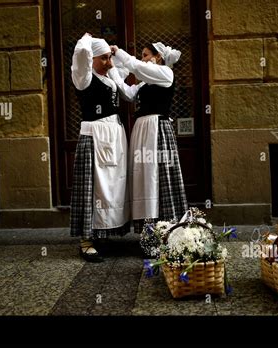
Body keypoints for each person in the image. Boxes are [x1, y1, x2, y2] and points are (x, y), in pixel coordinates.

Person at [109, 42, 188, 233]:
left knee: (158, 174)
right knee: (143, 174)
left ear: (157, 57)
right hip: (142, 129)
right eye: (142, 56)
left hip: (157, 129)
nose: (143, 58)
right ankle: (148, 229)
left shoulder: (166, 74)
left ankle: (166, 227)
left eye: (145, 55)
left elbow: (137, 67)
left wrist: (118, 52)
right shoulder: (145, 81)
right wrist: (112, 70)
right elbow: (127, 93)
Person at [70, 33, 130, 262]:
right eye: (104, 58)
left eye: (109, 57)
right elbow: (81, 54)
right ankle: (86, 240)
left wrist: (115, 53)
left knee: (111, 187)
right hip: (94, 135)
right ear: (93, 59)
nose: (109, 62)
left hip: (113, 134)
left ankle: (103, 233)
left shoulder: (110, 76)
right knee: (91, 188)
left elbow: (123, 71)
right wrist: (86, 38)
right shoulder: (83, 78)